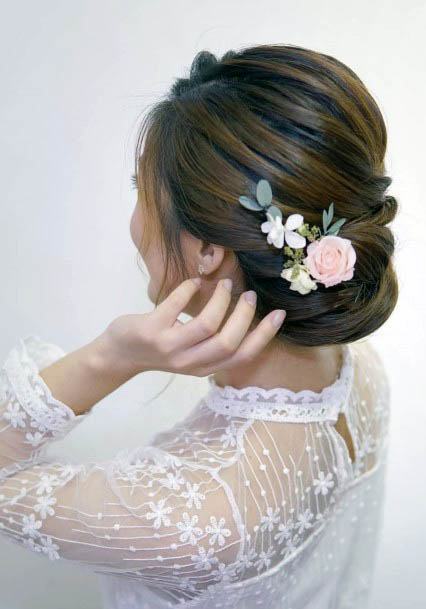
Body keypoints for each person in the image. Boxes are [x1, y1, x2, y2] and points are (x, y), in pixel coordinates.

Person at [0, 43, 398, 609]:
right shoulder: (358, 373)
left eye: (142, 191)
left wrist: (110, 357)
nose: (136, 222)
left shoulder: (197, 518)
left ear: (210, 249)